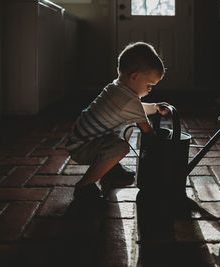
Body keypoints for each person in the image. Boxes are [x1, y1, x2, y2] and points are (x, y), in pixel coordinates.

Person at [65, 41, 170, 200]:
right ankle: (84, 187)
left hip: (81, 141)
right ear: (134, 76)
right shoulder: (129, 100)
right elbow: (146, 129)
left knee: (126, 128)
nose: (150, 89)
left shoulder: (118, 88)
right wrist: (163, 150)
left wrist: (154, 107)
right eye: (149, 85)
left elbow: (136, 109)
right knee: (121, 146)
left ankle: (110, 168)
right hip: (83, 147)